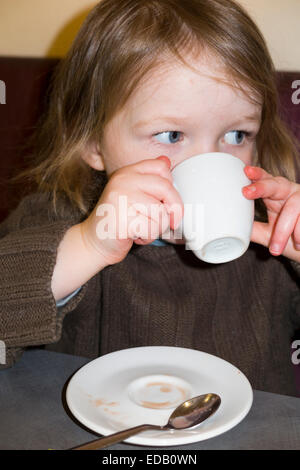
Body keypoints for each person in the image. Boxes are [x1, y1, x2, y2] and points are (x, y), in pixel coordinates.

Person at [0, 0, 299, 396]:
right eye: (172, 135)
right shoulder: (56, 218)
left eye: (237, 135)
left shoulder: (273, 240)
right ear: (92, 141)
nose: (209, 162)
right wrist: (88, 244)